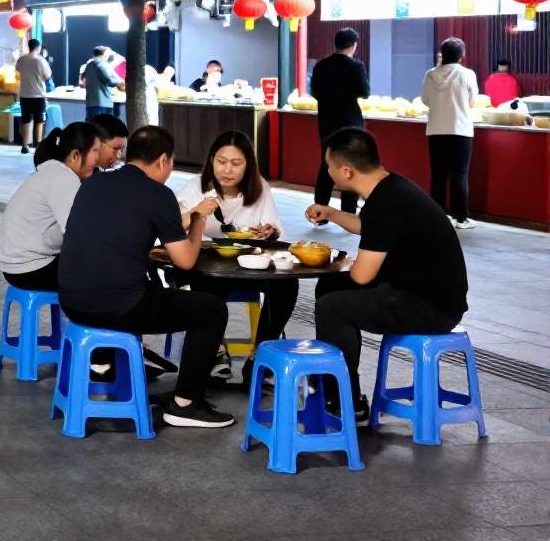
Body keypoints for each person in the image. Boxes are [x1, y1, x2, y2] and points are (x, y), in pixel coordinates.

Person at [57, 125, 235, 429]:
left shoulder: (93, 183)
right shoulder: (158, 194)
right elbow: (186, 261)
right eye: (172, 162)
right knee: (211, 310)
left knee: (149, 289)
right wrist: (199, 219)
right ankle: (185, 404)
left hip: (72, 303)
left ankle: (109, 366)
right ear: (163, 160)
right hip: (120, 306)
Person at [306, 128, 469, 423]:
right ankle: (339, 387)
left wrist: (355, 264)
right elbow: (365, 225)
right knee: (329, 285)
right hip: (422, 293)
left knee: (332, 308)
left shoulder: (387, 203)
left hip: (429, 307)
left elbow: (361, 277)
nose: (328, 172)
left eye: (329, 166)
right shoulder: (391, 187)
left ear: (346, 170)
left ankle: (343, 398)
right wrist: (330, 212)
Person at [175, 131, 295, 382]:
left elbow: (272, 229)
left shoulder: (260, 189)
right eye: (221, 161)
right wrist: (196, 212)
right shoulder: (196, 188)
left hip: (248, 267)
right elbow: (174, 229)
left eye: (236, 163)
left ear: (248, 165)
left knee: (286, 284)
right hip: (207, 269)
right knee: (201, 283)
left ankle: (260, 354)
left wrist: (269, 232)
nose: (227, 170)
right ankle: (216, 351)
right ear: (211, 161)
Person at [0, 122, 102, 291]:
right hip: (31, 269)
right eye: (95, 151)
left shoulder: (53, 172)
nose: (97, 158)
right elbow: (78, 234)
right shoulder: (63, 178)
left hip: (17, 265)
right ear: (76, 155)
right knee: (107, 273)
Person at [310, 28, 371, 215]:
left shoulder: (321, 66)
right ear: (354, 46)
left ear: (335, 44)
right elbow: (365, 92)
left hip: (327, 122)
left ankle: (319, 210)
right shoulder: (356, 66)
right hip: (350, 124)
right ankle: (348, 210)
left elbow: (315, 93)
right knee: (350, 165)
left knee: (327, 164)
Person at [422, 37, 480, 229]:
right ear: (462, 55)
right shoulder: (467, 74)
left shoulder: (430, 75)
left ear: (442, 54)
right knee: (460, 174)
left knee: (438, 175)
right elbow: (472, 100)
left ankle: (438, 217)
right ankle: (461, 218)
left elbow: (425, 100)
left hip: (436, 130)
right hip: (461, 130)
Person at [14, 39, 52, 154]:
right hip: (38, 95)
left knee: (25, 120)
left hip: (25, 94)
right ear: (38, 48)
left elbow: (17, 72)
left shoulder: (21, 60)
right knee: (39, 120)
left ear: (28, 47)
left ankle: (25, 146)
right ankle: (38, 145)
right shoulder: (41, 61)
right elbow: (47, 76)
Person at [82, 46, 122, 118]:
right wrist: (119, 83)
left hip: (90, 103)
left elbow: (83, 78)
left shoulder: (89, 65)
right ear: (105, 54)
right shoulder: (103, 65)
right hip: (103, 103)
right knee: (102, 126)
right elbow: (109, 80)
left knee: (91, 126)